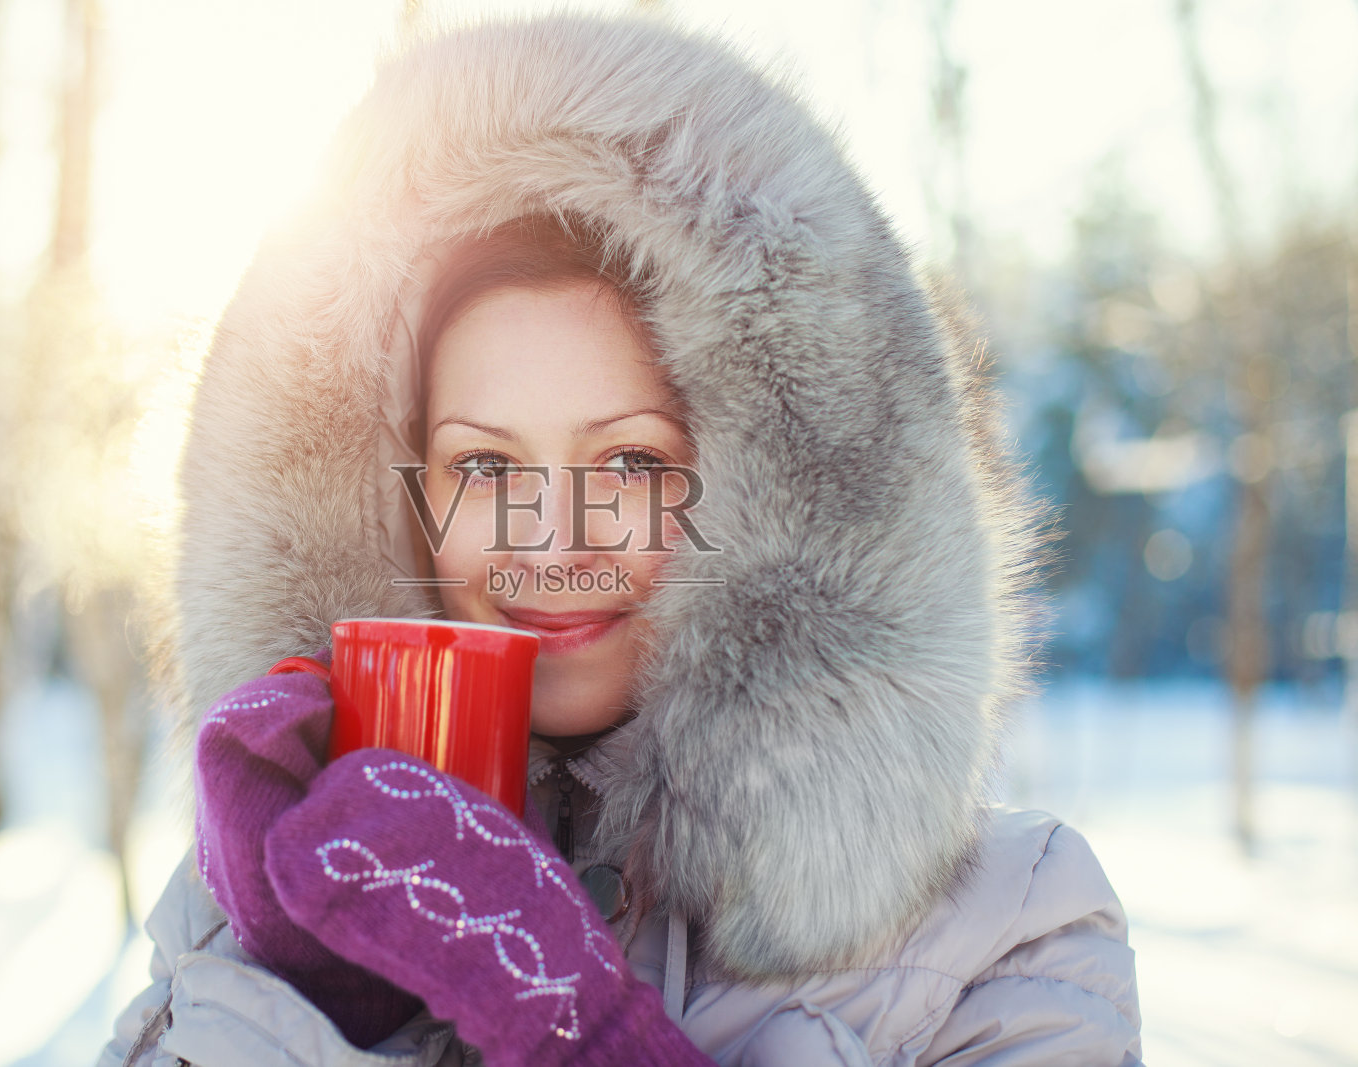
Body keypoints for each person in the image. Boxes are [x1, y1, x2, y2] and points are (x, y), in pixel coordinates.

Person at [100, 14, 1142, 1067]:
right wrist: (301, 994)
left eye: (632, 464)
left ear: (776, 494)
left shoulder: (1011, 929)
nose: (553, 540)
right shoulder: (232, 910)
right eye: (486, 467)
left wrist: (589, 1034)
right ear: (390, 502)